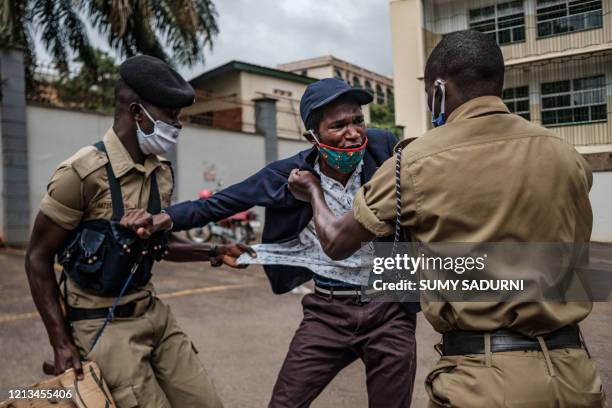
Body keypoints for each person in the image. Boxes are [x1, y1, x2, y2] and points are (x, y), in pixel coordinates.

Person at [287, 30, 605, 407]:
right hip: (576, 375)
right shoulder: (566, 156)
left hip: (484, 382)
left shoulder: (415, 162)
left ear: (437, 90)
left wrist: (312, 192)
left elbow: (337, 242)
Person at [123, 78, 419, 407]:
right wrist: (166, 218)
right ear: (313, 136)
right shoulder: (290, 175)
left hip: (388, 308)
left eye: (357, 121)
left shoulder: (382, 149)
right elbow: (221, 203)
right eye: (338, 125)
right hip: (326, 312)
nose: (353, 133)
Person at [25, 55, 254, 408]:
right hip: (102, 326)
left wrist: (212, 252)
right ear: (136, 112)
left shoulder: (160, 173)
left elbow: (157, 244)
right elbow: (37, 258)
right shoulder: (82, 174)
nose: (178, 125)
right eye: (170, 115)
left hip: (154, 314)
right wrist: (60, 343)